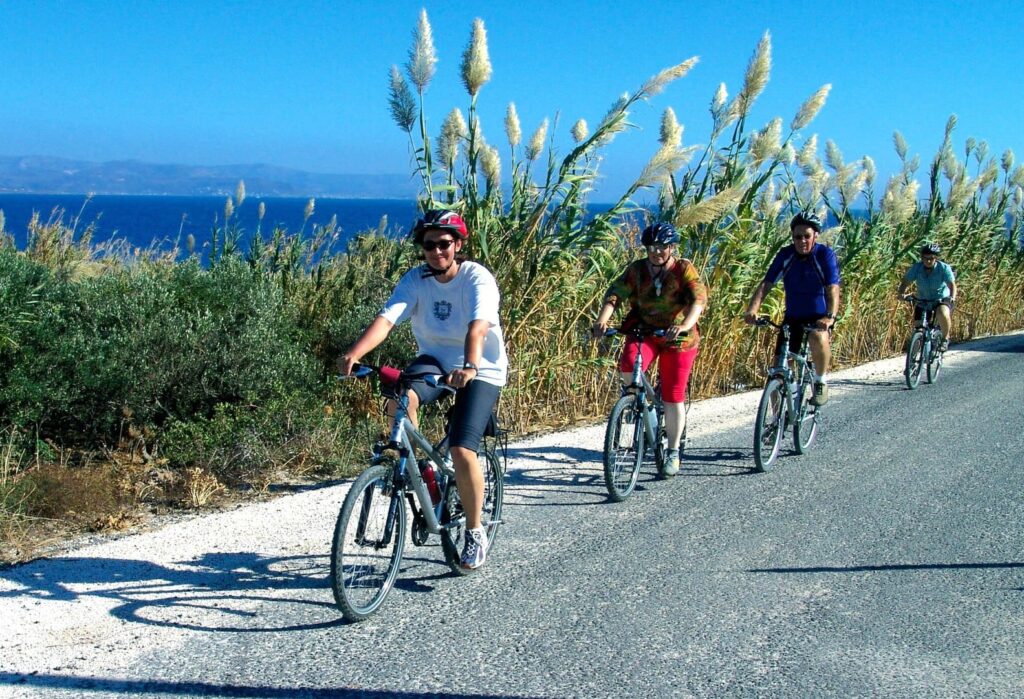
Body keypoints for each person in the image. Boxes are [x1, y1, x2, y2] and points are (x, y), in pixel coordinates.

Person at [337, 209, 507, 571]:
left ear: (458, 245)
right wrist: (355, 352)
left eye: (444, 244)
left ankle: (475, 531)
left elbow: (476, 329)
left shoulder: (477, 279)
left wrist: (470, 366)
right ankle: (423, 471)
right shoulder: (415, 280)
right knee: (400, 398)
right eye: (429, 245)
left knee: (463, 449)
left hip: (481, 367)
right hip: (434, 360)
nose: (436, 251)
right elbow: (387, 320)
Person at [592, 221, 707, 477]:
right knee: (627, 367)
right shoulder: (637, 270)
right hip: (644, 330)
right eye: (652, 247)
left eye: (663, 247)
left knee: (673, 394)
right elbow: (615, 294)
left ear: (672, 247)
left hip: (678, 338)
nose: (657, 252)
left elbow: (698, 299)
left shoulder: (683, 269)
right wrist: (603, 319)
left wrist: (685, 325)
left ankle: (674, 451)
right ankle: (639, 402)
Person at [743, 211, 841, 406]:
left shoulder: (824, 255)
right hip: (793, 317)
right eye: (798, 237)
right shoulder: (786, 255)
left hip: (818, 316)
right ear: (792, 237)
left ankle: (820, 381)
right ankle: (777, 420)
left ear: (816, 236)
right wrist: (752, 310)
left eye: (807, 236)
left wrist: (830, 316)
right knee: (778, 368)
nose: (802, 241)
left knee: (818, 336)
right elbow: (767, 284)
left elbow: (832, 288)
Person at [896, 242, 956, 350]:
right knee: (918, 326)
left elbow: (952, 285)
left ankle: (945, 339)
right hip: (923, 300)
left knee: (942, 312)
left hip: (941, 298)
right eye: (925, 258)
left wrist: (952, 297)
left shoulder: (944, 268)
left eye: (931, 258)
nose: (928, 261)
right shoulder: (917, 268)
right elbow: (905, 281)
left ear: (936, 258)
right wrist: (901, 293)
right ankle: (914, 360)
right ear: (922, 258)